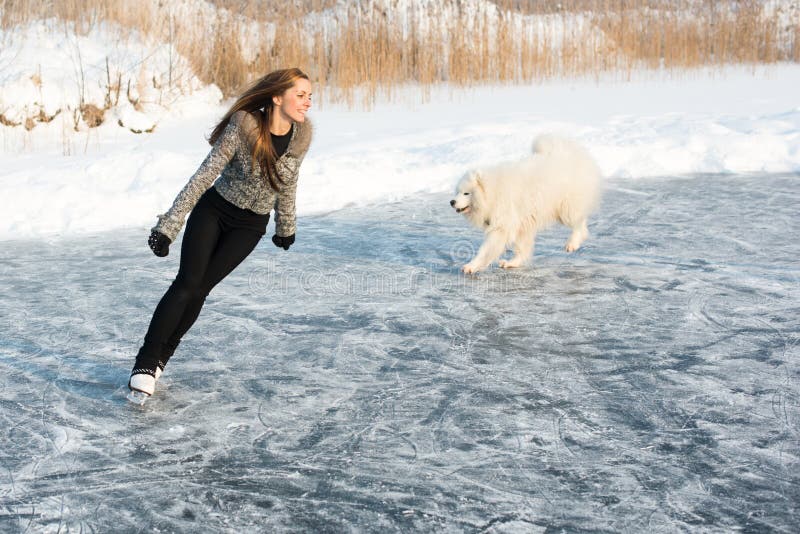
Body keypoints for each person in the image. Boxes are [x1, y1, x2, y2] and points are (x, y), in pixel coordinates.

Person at [128, 67, 313, 400]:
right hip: (215, 210)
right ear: (277, 97)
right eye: (300, 95)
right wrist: (169, 225)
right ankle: (145, 361)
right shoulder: (244, 125)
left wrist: (285, 225)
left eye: (309, 96)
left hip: (251, 224)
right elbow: (204, 175)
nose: (307, 102)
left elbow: (288, 182)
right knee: (186, 284)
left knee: (200, 289)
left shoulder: (301, 136)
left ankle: (162, 357)